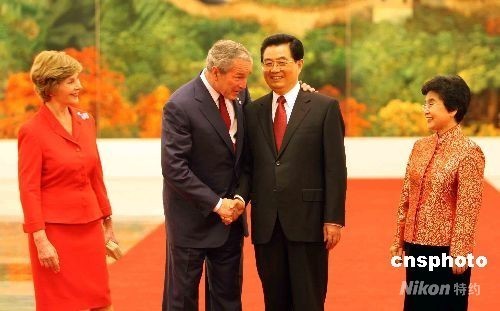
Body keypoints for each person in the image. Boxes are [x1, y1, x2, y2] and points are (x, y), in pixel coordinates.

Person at [236, 33, 347, 311]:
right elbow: (249, 166)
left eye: (282, 62)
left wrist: (333, 219)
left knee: (309, 300)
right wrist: (239, 198)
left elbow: (335, 168)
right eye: (268, 63)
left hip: (309, 222)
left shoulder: (324, 107)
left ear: (299, 64)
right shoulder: (252, 112)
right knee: (274, 300)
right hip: (267, 225)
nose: (274, 69)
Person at [18, 50, 117, 311]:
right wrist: (40, 240)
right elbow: (28, 189)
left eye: (78, 79)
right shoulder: (32, 131)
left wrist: (107, 220)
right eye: (71, 81)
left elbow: (96, 174)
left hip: (90, 227)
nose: (79, 86)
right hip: (55, 234)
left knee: (100, 300)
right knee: (59, 304)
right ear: (52, 85)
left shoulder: (86, 121)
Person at [161, 39, 251, 311]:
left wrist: (238, 199)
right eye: (238, 77)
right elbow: (174, 168)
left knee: (228, 300)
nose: (244, 85)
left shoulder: (241, 97)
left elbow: (248, 156)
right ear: (215, 72)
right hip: (191, 221)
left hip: (230, 221)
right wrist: (216, 204)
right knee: (182, 300)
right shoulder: (180, 104)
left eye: (247, 77)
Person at [390, 75, 485, 310]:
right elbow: (406, 197)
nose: (425, 110)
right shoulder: (419, 147)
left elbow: (468, 206)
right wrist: (398, 239)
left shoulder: (469, 153)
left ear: (453, 108)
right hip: (416, 247)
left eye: (431, 103)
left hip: (447, 252)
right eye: (425, 103)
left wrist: (461, 250)